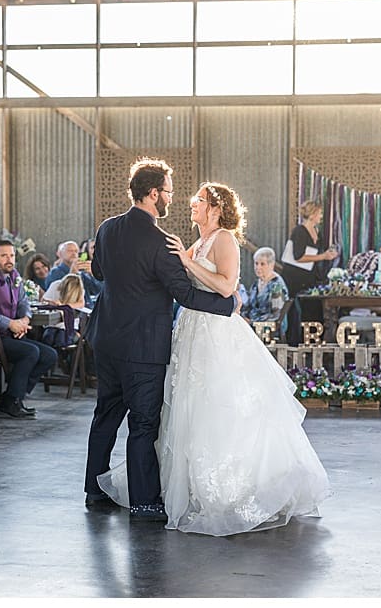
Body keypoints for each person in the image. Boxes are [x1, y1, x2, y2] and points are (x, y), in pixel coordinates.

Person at [96, 178, 330, 535]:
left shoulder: (224, 239)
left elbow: (226, 286)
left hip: (217, 332)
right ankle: (183, 484)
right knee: (185, 406)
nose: (191, 204)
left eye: (198, 200)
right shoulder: (197, 241)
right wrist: (181, 260)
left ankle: (227, 488)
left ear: (216, 208)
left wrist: (188, 264)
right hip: (191, 329)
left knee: (218, 405)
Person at [82, 160, 239, 522]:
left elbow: (99, 271)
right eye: (168, 191)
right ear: (153, 194)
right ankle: (144, 500)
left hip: (105, 339)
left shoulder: (106, 229)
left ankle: (93, 488)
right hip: (143, 349)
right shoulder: (159, 242)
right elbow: (184, 293)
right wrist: (226, 304)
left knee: (105, 415)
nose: (171, 198)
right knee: (143, 424)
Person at [0, 239, 58, 419]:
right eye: (4, 256)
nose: (9, 259)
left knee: (49, 355)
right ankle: (13, 399)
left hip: (13, 333)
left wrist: (24, 320)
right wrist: (10, 323)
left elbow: (23, 302)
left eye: (11, 255)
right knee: (30, 352)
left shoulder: (14, 275)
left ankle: (12, 395)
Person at [280, 201, 338, 345]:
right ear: (312, 215)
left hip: (310, 277)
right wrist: (323, 256)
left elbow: (319, 251)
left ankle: (313, 342)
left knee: (314, 310)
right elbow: (298, 256)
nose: (321, 216)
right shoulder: (299, 231)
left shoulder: (316, 231)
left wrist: (328, 254)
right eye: (319, 213)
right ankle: (297, 343)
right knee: (298, 312)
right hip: (295, 278)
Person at [242, 246, 290, 336]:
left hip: (269, 327)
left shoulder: (277, 285)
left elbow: (275, 315)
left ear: (271, 265)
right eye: (256, 263)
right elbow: (247, 307)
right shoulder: (256, 284)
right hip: (252, 325)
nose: (258, 267)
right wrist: (242, 317)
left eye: (262, 264)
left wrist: (252, 322)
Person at [45, 239, 103, 305]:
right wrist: (72, 274)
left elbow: (98, 290)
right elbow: (56, 294)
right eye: (70, 251)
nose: (74, 253)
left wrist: (94, 274)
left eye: (76, 251)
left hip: (87, 309)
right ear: (61, 254)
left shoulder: (82, 273)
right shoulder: (54, 272)